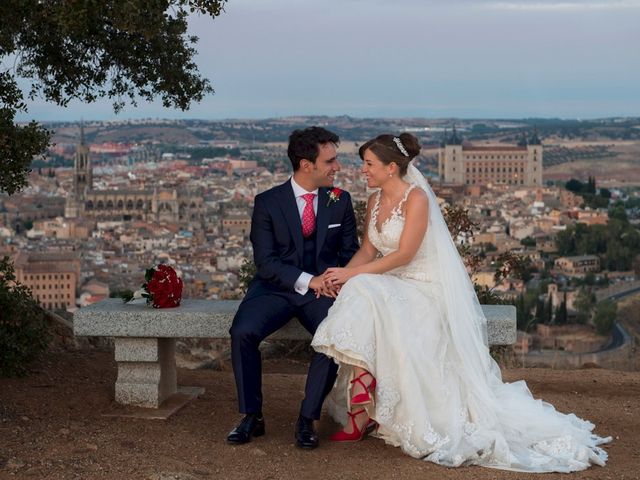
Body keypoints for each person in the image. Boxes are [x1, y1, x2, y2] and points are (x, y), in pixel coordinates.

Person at [311, 133, 611, 472]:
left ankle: (361, 411)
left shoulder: (417, 199)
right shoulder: (375, 200)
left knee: (363, 289)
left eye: (368, 164)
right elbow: (367, 251)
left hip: (423, 288)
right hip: (390, 285)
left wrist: (352, 277)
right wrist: (339, 277)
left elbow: (405, 254)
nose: (361, 170)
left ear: (392, 167)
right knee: (362, 291)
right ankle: (364, 401)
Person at [227, 126, 359, 449]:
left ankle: (307, 418)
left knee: (332, 335)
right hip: (275, 288)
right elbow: (266, 263)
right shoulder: (268, 203)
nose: (337, 168)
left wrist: (334, 281)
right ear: (306, 164)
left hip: (323, 291)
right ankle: (251, 415)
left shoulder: (340, 201)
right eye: (330, 161)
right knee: (242, 332)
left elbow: (350, 253)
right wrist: (308, 280)